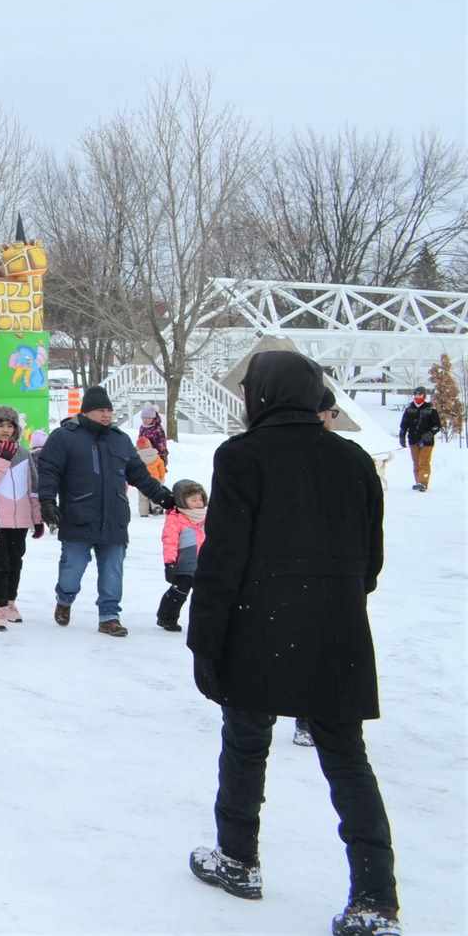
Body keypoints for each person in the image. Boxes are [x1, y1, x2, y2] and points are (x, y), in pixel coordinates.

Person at [186, 351, 398, 936]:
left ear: (262, 396)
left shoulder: (242, 456)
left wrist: (204, 640)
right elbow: (371, 559)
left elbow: (223, 557)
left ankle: (237, 859)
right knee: (347, 760)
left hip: (257, 626)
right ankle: (375, 898)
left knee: (246, 741)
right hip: (336, 630)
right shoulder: (353, 460)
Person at [33, 386, 176, 636]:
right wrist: (47, 502)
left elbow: (139, 475)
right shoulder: (64, 437)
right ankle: (65, 599)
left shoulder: (119, 439)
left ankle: (109, 616)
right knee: (72, 569)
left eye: (109, 410)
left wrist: (165, 498)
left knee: (112, 570)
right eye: (101, 410)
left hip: (114, 517)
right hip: (78, 514)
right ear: (86, 411)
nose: (107, 415)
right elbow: (49, 471)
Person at [0, 407, 41, 631]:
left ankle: (10, 602)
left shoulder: (25, 454)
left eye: (10, 426)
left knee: (16, 563)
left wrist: (37, 518)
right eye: (0, 425)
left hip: (20, 521)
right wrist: (2, 460)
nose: (5, 430)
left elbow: (33, 488)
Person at [155, 479, 207, 632]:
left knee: (205, 595)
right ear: (182, 502)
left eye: (200, 499)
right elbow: (169, 542)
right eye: (193, 500)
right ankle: (166, 617)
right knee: (179, 592)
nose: (198, 503)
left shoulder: (207, 516)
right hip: (184, 565)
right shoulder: (176, 519)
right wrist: (169, 563)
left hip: (204, 564)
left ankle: (203, 622)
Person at [397, 388, 440, 492]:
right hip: (413, 440)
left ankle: (423, 482)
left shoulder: (430, 410)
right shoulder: (409, 409)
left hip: (427, 442)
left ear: (424, 396)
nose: (417, 397)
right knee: (416, 462)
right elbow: (404, 425)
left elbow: (437, 426)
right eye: (416, 395)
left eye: (420, 395)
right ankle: (418, 482)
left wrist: (430, 433)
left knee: (423, 461)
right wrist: (402, 436)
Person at [136, 405, 171, 516]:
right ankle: (147, 509)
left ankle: (156, 505)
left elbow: (162, 444)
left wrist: (162, 459)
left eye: (148, 418)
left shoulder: (158, 429)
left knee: (156, 484)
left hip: (156, 457)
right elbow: (139, 440)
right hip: (143, 456)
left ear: (153, 418)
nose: (145, 420)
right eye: (143, 418)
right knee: (145, 483)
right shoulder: (142, 427)